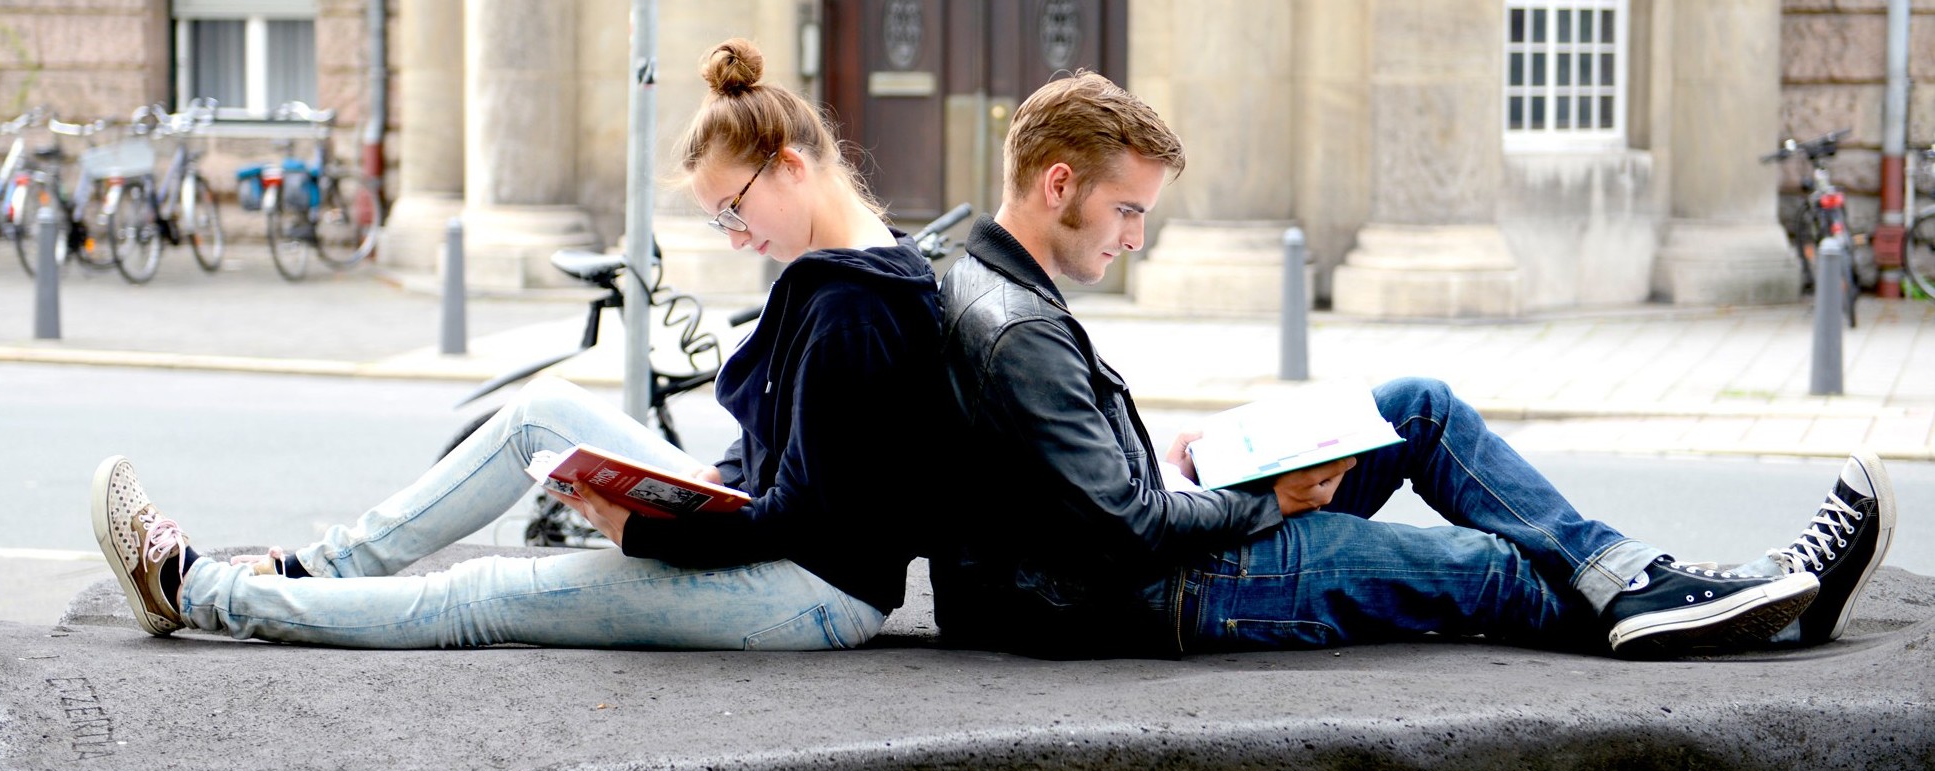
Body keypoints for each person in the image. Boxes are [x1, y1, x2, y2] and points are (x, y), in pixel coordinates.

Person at [930, 71, 1898, 660]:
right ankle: (1754, 611)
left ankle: (1632, 573)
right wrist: (1280, 500)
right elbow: (1123, 529)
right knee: (1485, 569)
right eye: (1128, 211)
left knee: (1418, 408)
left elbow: (1071, 482)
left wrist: (1176, 456)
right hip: (1160, 592)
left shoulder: (1000, 287)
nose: (1136, 237)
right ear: (1060, 183)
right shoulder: (1017, 326)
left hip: (1135, 559)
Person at [92, 38, 944, 651]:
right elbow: (793, 469)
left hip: (815, 594)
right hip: (789, 550)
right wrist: (677, 493)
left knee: (488, 594)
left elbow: (806, 518)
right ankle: (322, 569)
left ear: (789, 165)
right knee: (538, 412)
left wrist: (645, 533)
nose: (731, 235)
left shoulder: (853, 310)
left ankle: (200, 592)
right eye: (719, 218)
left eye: (732, 210)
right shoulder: (858, 267)